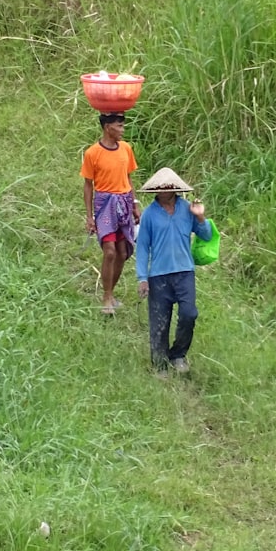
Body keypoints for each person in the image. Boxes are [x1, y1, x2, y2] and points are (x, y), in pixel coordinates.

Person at [135, 167, 212, 376]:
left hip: (185, 272)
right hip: (159, 275)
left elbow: (205, 235)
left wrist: (201, 216)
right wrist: (142, 278)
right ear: (155, 190)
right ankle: (160, 365)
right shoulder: (150, 215)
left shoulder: (188, 209)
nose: (165, 190)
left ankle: (178, 354)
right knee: (159, 322)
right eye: (160, 187)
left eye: (168, 186)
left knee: (189, 314)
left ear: (175, 188)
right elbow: (142, 247)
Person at [81, 111, 141, 314]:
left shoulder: (126, 149)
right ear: (108, 128)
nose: (123, 130)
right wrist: (90, 216)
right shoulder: (92, 153)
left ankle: (110, 293)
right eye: (120, 126)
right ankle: (106, 298)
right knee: (109, 252)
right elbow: (88, 186)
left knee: (122, 253)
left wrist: (134, 204)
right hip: (105, 204)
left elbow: (129, 178)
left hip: (124, 203)